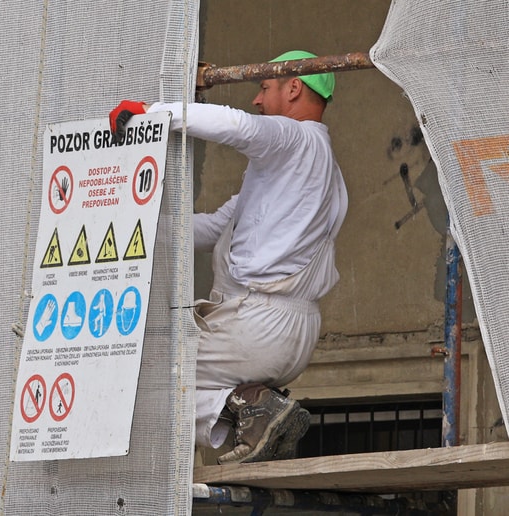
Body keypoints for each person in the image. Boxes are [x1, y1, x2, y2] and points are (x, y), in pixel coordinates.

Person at [109, 50, 348, 463]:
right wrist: (129, 229)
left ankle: (240, 408)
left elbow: (239, 127)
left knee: (131, 376)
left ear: (294, 87)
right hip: (289, 330)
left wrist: (154, 114)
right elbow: (210, 229)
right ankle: (249, 412)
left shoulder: (299, 139)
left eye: (264, 87)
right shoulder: (312, 175)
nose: (257, 100)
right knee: (154, 386)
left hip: (256, 325)